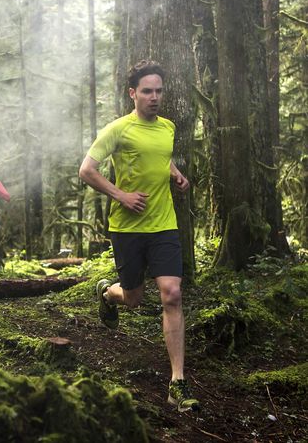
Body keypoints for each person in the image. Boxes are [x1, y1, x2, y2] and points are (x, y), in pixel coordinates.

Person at [79, 61, 200, 412]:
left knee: (172, 294)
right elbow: (86, 170)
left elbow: (160, 159)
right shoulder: (118, 129)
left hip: (163, 224)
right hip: (127, 228)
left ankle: (177, 382)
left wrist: (176, 174)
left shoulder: (168, 128)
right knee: (132, 298)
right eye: (147, 91)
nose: (154, 97)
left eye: (159, 91)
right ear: (132, 93)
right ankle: (107, 292)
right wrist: (121, 195)